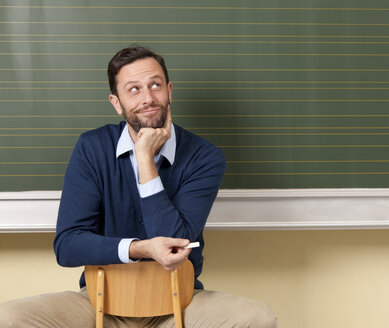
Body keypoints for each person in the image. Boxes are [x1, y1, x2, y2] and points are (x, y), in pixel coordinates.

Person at [0, 46, 277, 328]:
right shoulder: (92, 148)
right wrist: (140, 249)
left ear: (169, 90)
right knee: (7, 318)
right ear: (117, 103)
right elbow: (67, 245)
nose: (148, 98)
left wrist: (145, 158)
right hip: (99, 303)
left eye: (155, 85)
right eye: (133, 89)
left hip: (179, 304)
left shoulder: (204, 156)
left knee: (256, 318)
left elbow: (173, 239)